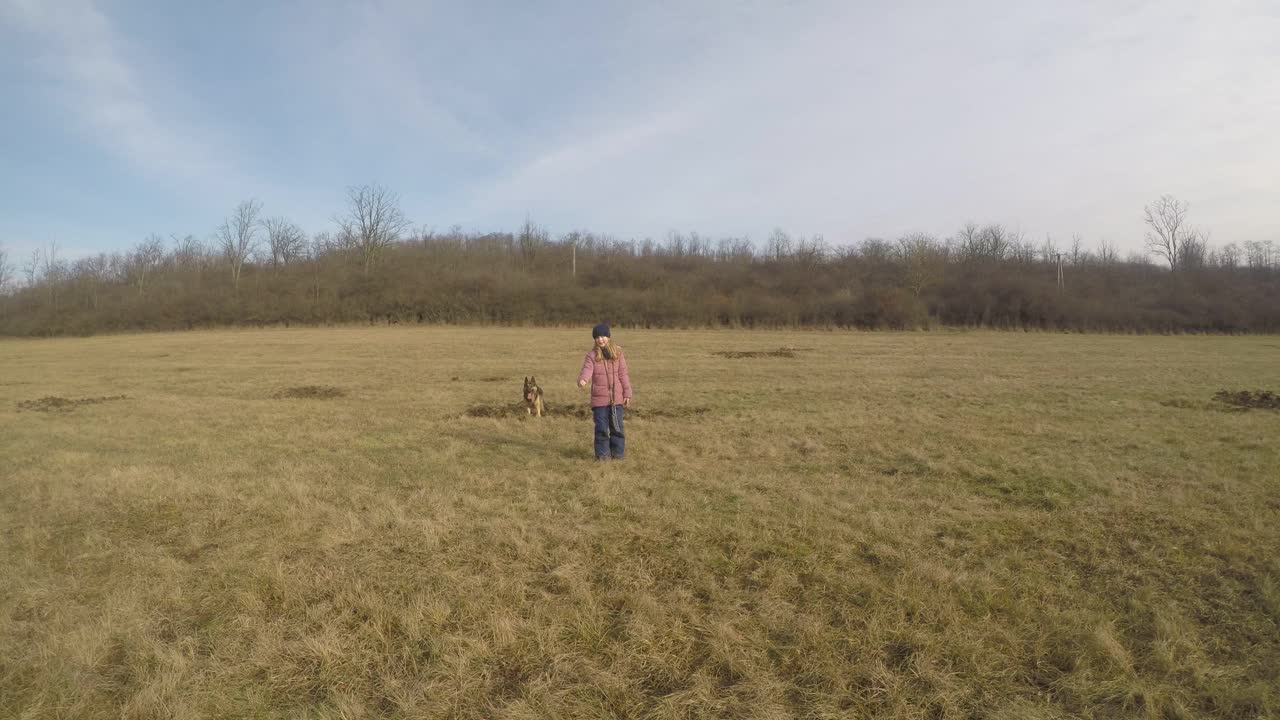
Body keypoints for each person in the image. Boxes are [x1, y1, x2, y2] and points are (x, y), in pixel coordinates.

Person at [577, 323, 632, 461]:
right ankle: (603, 456)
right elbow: (587, 369)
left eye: (603, 336)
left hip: (617, 400)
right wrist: (583, 379)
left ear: (608, 337)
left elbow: (623, 374)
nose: (600, 339)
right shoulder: (592, 356)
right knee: (601, 428)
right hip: (599, 401)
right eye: (597, 337)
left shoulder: (618, 354)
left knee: (617, 428)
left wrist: (627, 393)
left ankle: (618, 454)